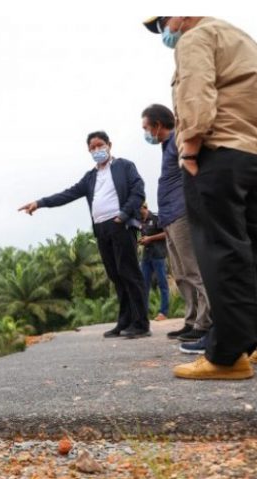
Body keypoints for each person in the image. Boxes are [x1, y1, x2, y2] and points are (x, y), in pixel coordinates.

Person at [143, 17, 257, 379]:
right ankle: (251, 345)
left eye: (162, 21)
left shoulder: (195, 38)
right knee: (249, 250)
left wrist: (190, 147)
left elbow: (195, 90)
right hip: (250, 153)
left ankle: (227, 355)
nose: (164, 29)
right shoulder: (240, 39)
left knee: (220, 253)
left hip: (218, 152)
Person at [19, 131, 149, 339]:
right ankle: (124, 322)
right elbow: (67, 194)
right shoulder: (91, 177)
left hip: (120, 225)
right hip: (101, 229)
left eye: (100, 145)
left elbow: (138, 190)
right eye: (93, 147)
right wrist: (40, 203)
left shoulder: (125, 166)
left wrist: (123, 214)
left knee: (129, 273)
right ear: (89, 151)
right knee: (116, 275)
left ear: (109, 145)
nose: (97, 150)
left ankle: (141, 324)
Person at [140, 104, 212, 345]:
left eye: (146, 127)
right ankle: (191, 321)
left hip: (182, 214)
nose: (146, 133)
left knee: (193, 270)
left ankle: (206, 323)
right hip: (168, 217)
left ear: (158, 125)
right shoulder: (165, 146)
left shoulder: (177, 140)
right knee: (180, 274)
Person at [138, 202, 169, 322]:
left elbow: (166, 233)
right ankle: (143, 313)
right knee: (143, 285)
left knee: (162, 284)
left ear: (144, 208)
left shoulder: (156, 218)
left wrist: (150, 238)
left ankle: (163, 312)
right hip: (146, 256)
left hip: (158, 255)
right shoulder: (141, 222)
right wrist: (142, 240)